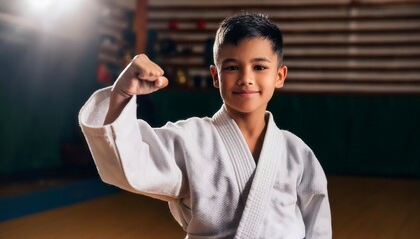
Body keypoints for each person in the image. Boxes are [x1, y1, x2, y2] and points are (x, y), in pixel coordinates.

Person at [79, 13, 331, 239]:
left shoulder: (297, 153)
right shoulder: (189, 140)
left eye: (259, 67)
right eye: (231, 67)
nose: (245, 78)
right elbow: (129, 164)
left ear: (279, 76)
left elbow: (317, 225)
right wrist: (122, 94)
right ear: (215, 76)